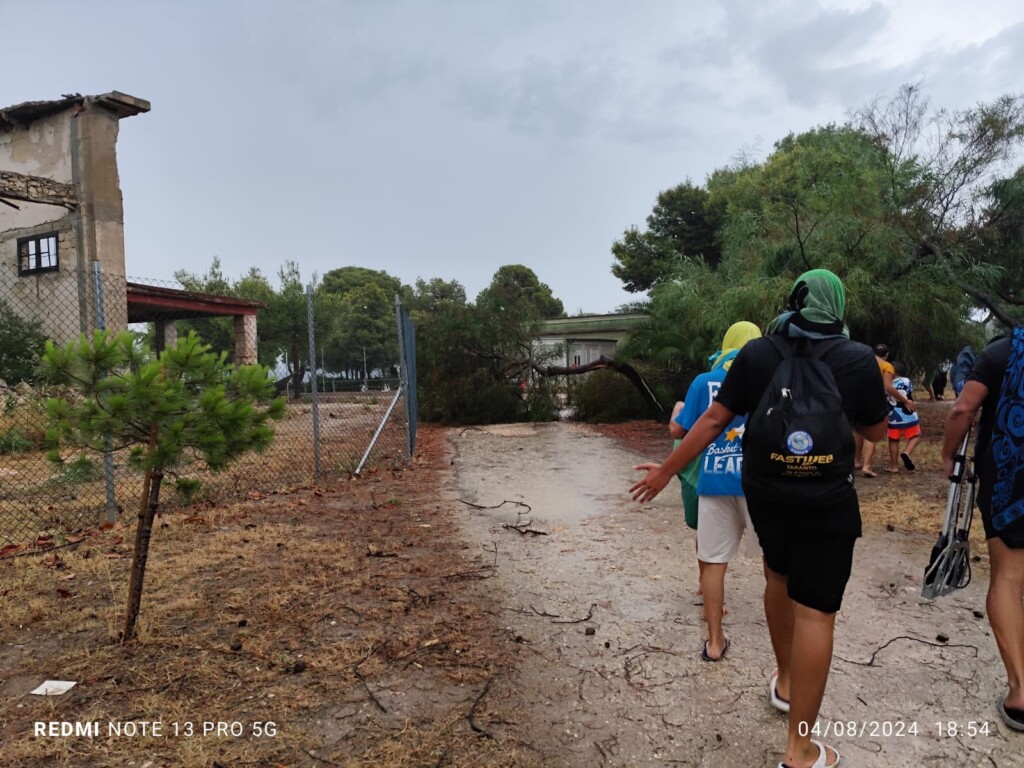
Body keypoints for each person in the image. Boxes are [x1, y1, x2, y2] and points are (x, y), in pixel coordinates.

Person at [631, 269, 888, 768]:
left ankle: (786, 681)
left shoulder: (760, 352)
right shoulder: (857, 359)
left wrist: (667, 470)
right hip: (826, 500)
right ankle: (800, 749)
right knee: (815, 612)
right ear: (836, 305)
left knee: (777, 576)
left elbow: (711, 419)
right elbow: (875, 428)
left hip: (768, 495)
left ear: (794, 301)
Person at [942, 328, 1024, 733]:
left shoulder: (1002, 352)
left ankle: (1021, 692)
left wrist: (947, 456)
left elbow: (963, 409)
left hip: (1011, 480)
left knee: (1009, 577)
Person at [673, 321, 762, 662]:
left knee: (712, 563)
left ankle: (714, 642)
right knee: (774, 562)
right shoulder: (771, 373)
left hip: (714, 478)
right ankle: (792, 631)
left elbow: (682, 429)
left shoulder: (703, 382)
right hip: (759, 481)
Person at [858, 343, 916, 477]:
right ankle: (867, 466)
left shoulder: (863, 362)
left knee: (858, 430)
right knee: (870, 432)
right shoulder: (887, 366)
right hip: (874, 401)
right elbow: (888, 387)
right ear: (887, 354)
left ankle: (856, 461)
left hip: (859, 398)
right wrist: (906, 401)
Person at [886, 361, 921, 473]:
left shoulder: (886, 384)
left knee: (893, 440)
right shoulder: (906, 381)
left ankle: (894, 467)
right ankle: (906, 452)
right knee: (915, 436)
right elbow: (909, 393)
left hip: (892, 417)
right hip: (909, 414)